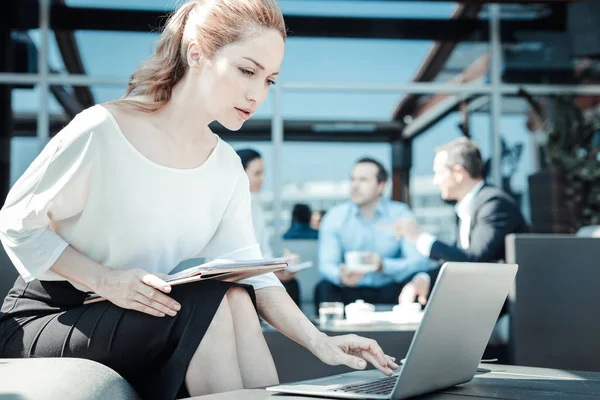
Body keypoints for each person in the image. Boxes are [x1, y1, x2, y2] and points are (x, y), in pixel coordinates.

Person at [0, 2, 398, 400]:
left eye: (269, 81)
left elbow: (254, 273)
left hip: (136, 310)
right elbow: (16, 223)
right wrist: (106, 280)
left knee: (236, 295)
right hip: (49, 316)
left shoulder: (225, 165)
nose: (257, 93)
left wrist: (320, 341)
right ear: (196, 54)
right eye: (247, 71)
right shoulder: (103, 128)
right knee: (207, 307)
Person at [395, 137, 529, 305]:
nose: (436, 181)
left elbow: (473, 262)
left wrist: (419, 238)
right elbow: (458, 258)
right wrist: (425, 278)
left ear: (458, 173)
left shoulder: (494, 204)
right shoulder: (468, 207)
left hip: (512, 313)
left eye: (438, 173)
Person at [315, 158, 432, 311]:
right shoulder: (335, 217)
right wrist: (340, 275)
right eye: (352, 179)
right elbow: (326, 264)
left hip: (390, 287)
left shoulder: (400, 214)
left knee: (416, 282)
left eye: (363, 180)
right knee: (324, 288)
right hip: (349, 288)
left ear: (380, 186)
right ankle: (327, 333)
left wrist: (384, 266)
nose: (355, 186)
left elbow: (419, 262)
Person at [236, 148, 301, 306]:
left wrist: (280, 264)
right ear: (239, 173)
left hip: (257, 272)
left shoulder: (256, 206)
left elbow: (262, 251)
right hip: (239, 275)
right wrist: (272, 268)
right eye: (257, 174)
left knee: (291, 285)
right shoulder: (232, 208)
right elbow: (239, 258)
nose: (263, 180)